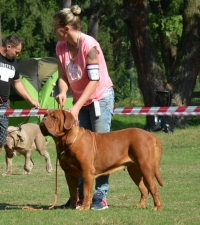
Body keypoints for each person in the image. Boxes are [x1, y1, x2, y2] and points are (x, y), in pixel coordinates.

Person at [53, 5, 114, 210]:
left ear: (67, 29)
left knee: (101, 151)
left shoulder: (90, 46)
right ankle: (79, 197)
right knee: (78, 151)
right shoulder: (60, 47)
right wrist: (62, 91)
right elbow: (63, 77)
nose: (54, 32)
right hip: (80, 101)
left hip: (99, 99)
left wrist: (76, 106)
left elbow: (94, 81)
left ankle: (100, 197)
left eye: (56, 28)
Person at [0, 34, 40, 153]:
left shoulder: (13, 62)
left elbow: (17, 83)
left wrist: (30, 100)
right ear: (8, 47)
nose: (17, 55)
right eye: (16, 52)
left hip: (3, 105)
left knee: (1, 139)